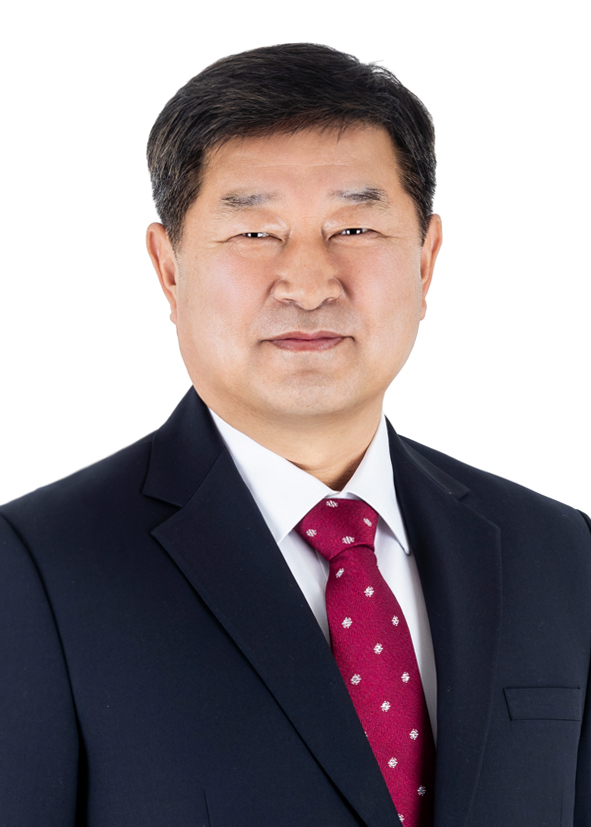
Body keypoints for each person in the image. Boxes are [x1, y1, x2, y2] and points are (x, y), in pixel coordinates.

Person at [1, 43, 589, 827]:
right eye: (254, 234)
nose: (309, 283)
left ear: (425, 259)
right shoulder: (38, 567)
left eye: (354, 226)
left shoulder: (558, 552)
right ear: (169, 268)